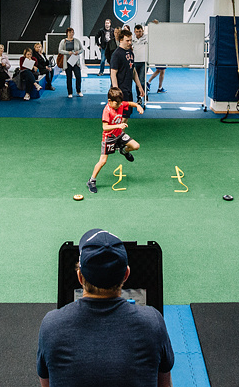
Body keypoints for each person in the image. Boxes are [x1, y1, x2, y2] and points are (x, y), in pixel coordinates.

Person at [36, 228, 174, 387]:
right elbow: (164, 384)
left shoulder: (51, 325)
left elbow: (47, 383)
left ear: (80, 277)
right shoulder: (153, 322)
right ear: (126, 275)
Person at [87, 87, 144, 194]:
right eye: (116, 103)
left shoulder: (120, 104)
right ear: (109, 101)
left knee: (136, 146)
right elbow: (105, 127)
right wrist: (119, 125)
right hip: (109, 137)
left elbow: (130, 103)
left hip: (119, 134)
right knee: (103, 161)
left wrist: (137, 106)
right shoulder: (107, 111)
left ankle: (124, 151)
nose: (119, 105)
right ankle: (91, 181)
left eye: (120, 103)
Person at [109, 28, 145, 115]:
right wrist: (116, 91)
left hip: (128, 88)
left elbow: (133, 71)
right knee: (120, 114)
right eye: (127, 40)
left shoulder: (130, 53)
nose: (130, 43)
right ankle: (118, 129)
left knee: (128, 113)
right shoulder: (116, 54)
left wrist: (139, 86)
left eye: (131, 40)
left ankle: (121, 129)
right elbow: (113, 74)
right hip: (120, 89)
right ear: (121, 40)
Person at [60, 27, 84, 98]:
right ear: (67, 33)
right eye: (70, 32)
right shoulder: (63, 41)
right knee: (69, 77)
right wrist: (68, 52)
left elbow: (82, 49)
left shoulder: (77, 41)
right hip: (67, 62)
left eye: (72, 32)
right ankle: (70, 92)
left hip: (76, 62)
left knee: (78, 77)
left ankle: (78, 90)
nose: (71, 34)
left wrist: (77, 52)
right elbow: (60, 50)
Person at [132, 24, 148, 94]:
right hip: (135, 62)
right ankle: (139, 97)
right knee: (137, 81)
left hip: (144, 62)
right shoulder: (132, 38)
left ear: (143, 31)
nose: (139, 33)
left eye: (140, 31)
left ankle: (144, 95)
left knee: (142, 80)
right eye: (137, 32)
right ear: (134, 32)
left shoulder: (147, 38)